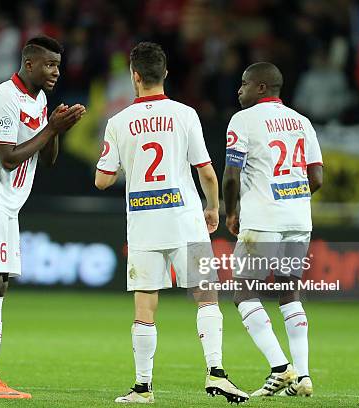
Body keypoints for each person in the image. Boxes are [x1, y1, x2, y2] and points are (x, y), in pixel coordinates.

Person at [95, 42, 249, 405]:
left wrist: (126, 166)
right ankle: (216, 374)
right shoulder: (185, 114)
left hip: (144, 224)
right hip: (185, 220)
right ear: (164, 74)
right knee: (205, 297)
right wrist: (213, 208)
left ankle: (142, 388)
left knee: (145, 306)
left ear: (134, 76)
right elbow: (207, 174)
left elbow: (102, 180)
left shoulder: (117, 122)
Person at [0, 35, 85, 399]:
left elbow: (48, 158)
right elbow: (9, 157)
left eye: (58, 64)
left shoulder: (38, 100)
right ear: (29, 64)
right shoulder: (5, 98)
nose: (56, 70)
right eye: (49, 64)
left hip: (6, 202)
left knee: (1, 283)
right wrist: (51, 129)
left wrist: (57, 128)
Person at [222, 62, 324, 397]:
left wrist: (232, 212)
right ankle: (303, 376)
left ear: (261, 87)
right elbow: (317, 179)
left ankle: (281, 368)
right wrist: (291, 199)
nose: (239, 90)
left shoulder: (244, 120)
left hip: (263, 219)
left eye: (244, 83)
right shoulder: (302, 121)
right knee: (288, 292)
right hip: (299, 220)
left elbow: (232, 175)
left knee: (243, 291)